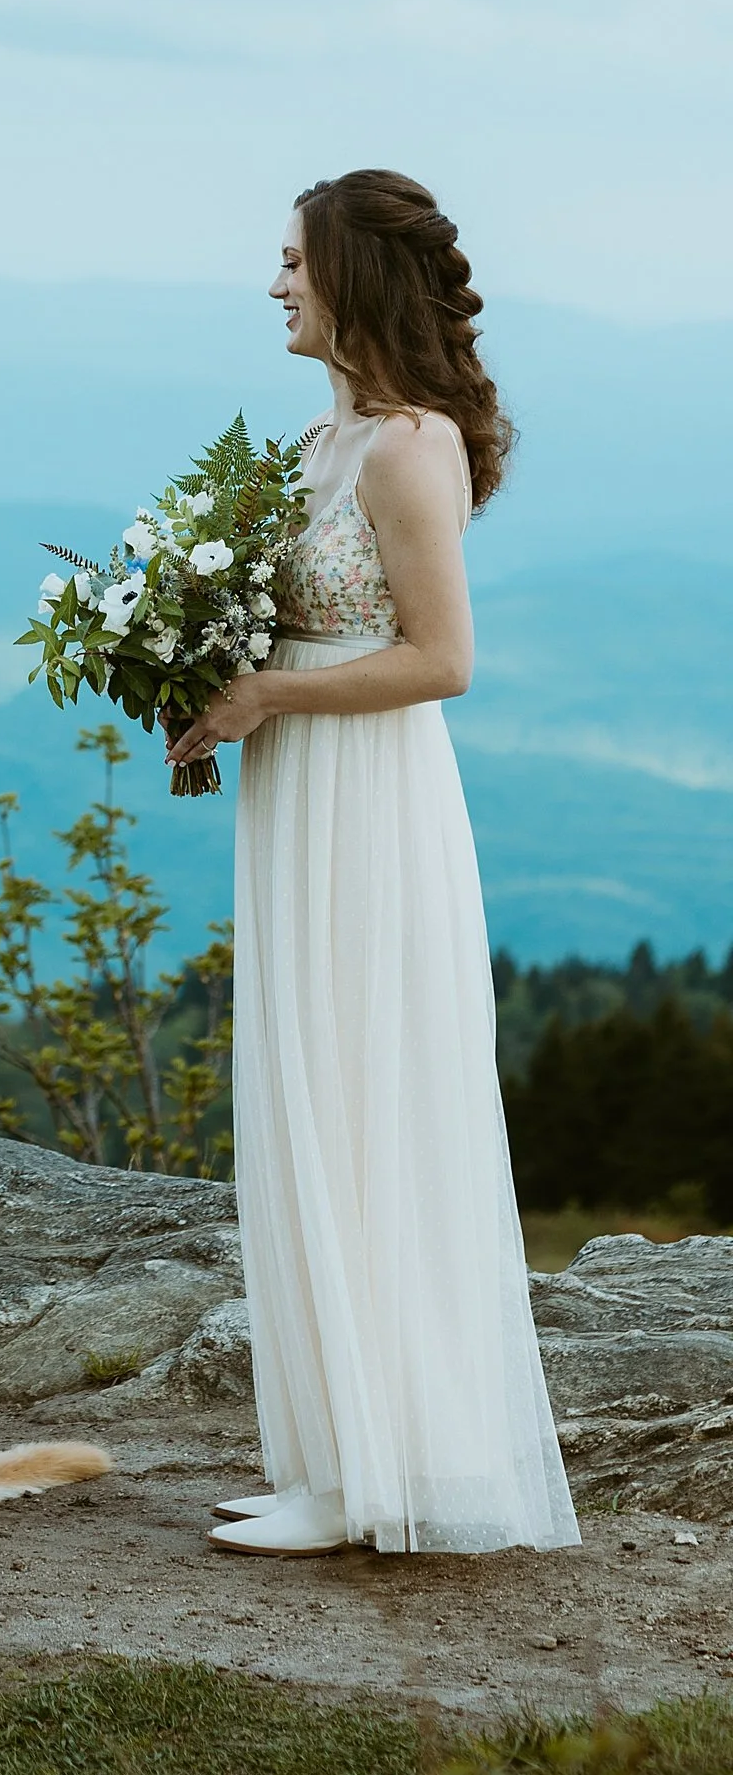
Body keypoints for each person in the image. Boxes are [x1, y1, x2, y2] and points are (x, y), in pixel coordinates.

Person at [170, 169, 578, 1557]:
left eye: (294, 261)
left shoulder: (411, 447)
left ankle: (386, 1473)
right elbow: (290, 632)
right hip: (296, 794)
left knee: (365, 1099)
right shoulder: (312, 438)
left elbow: (441, 659)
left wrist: (271, 697)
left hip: (373, 802)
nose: (276, 283)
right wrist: (209, 688)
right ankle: (331, 1451)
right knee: (305, 1095)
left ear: (355, 276)